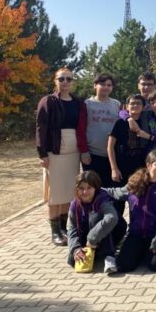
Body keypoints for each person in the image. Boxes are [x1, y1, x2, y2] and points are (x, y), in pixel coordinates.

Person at [36, 67, 89, 245]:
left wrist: (83, 150)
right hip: (54, 152)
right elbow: (41, 128)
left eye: (68, 79)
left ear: (73, 82)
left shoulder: (78, 103)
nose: (65, 82)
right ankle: (54, 231)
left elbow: (81, 128)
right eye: (61, 79)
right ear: (55, 81)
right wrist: (42, 153)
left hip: (73, 152)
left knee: (69, 191)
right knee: (55, 193)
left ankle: (64, 228)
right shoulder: (48, 101)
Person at [106, 150, 156, 273]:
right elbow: (117, 192)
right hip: (136, 233)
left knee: (154, 265)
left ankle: (151, 251)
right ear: (148, 165)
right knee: (124, 266)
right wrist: (96, 190)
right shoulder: (136, 182)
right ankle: (140, 251)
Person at [66, 170, 120, 274]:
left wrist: (92, 239)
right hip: (88, 238)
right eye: (81, 188)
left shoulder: (102, 198)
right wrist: (76, 249)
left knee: (95, 217)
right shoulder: (74, 204)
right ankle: (94, 252)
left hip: (108, 233)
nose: (85, 192)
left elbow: (112, 218)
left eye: (89, 188)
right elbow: (72, 228)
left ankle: (109, 256)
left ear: (95, 188)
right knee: (72, 260)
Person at [83, 73, 121, 190]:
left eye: (109, 85)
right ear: (95, 85)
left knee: (110, 190)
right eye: (102, 84)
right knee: (92, 188)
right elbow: (80, 129)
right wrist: (84, 152)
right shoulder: (87, 104)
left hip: (112, 155)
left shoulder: (116, 104)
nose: (106, 87)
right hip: (92, 155)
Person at [108, 95, 152, 188]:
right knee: (119, 195)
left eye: (138, 103)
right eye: (132, 103)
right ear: (127, 106)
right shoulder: (120, 123)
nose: (135, 105)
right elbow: (110, 146)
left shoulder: (147, 123)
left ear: (144, 107)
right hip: (121, 167)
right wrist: (114, 169)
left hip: (141, 168)